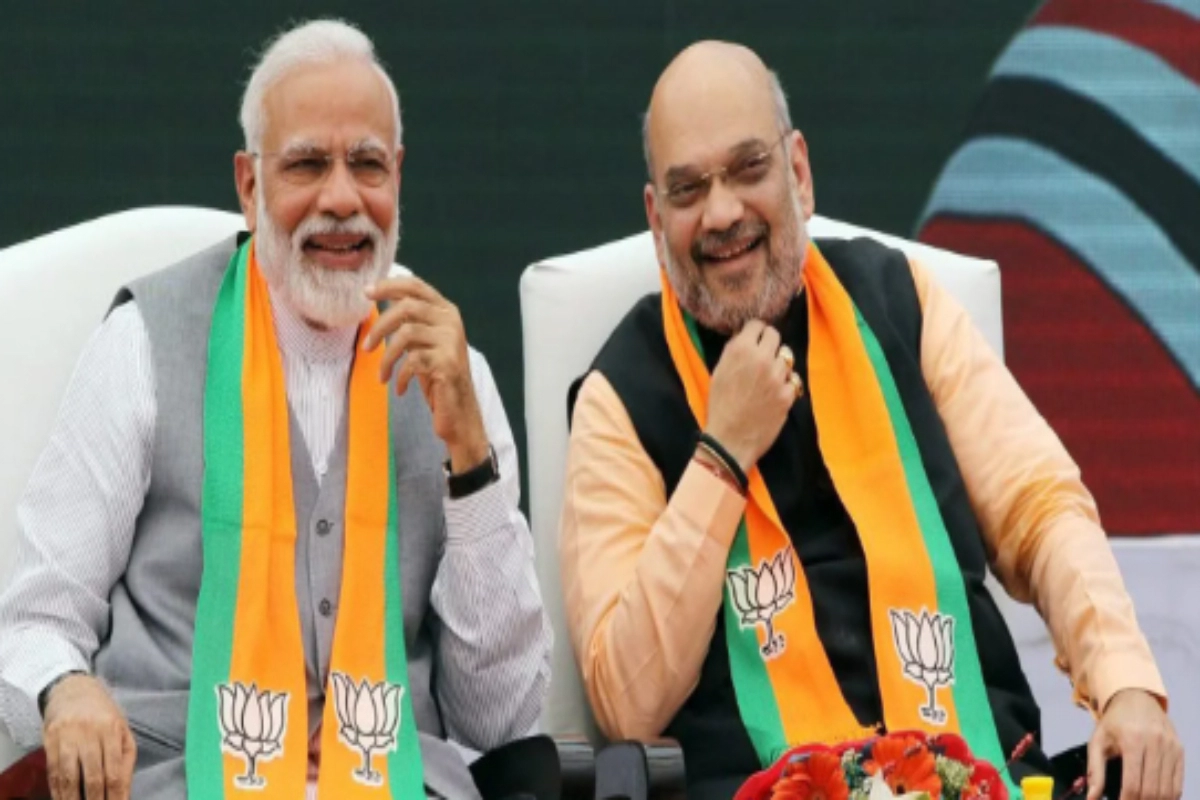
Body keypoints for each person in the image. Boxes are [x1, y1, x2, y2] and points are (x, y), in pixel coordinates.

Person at [560, 41, 1182, 800]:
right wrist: (721, 455)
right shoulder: (619, 395)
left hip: (973, 777)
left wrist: (1124, 684)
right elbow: (627, 700)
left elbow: (1041, 507)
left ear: (798, 173)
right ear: (657, 218)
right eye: (689, 189)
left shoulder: (900, 303)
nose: (721, 213)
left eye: (749, 169)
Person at [0, 19, 550, 800]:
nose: (341, 199)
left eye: (367, 164)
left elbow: (500, 721)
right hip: (178, 780)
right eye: (306, 164)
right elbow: (36, 622)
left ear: (397, 176)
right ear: (249, 185)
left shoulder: (454, 376)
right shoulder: (145, 343)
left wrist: (469, 464)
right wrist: (67, 690)